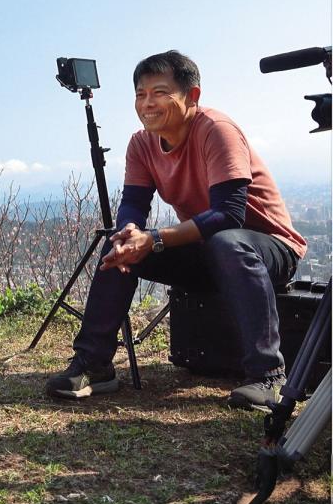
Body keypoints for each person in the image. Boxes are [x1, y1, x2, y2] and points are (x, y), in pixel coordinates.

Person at [45, 51, 306, 411]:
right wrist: (129, 233)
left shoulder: (217, 131)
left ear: (192, 96)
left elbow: (228, 214)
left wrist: (153, 239)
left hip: (267, 248)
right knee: (118, 246)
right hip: (209, 248)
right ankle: (94, 363)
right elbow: (134, 203)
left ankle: (269, 376)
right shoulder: (141, 143)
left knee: (227, 243)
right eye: (140, 94)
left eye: (159, 92)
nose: (147, 103)